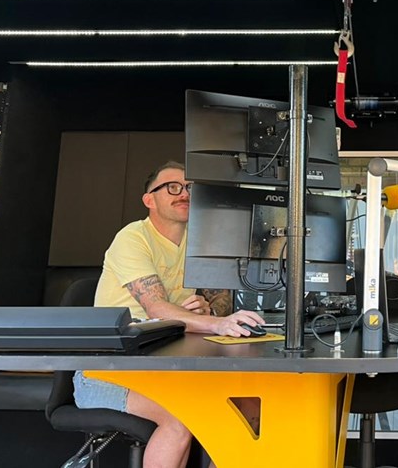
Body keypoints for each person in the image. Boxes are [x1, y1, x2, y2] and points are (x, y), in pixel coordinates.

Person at [73, 160, 266, 468]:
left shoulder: (198, 242)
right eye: (172, 187)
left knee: (244, 409)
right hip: (105, 375)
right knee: (180, 419)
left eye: (190, 187)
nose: (184, 193)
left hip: (166, 370)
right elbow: (157, 308)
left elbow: (221, 304)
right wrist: (215, 323)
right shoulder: (133, 238)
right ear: (149, 200)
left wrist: (209, 311)